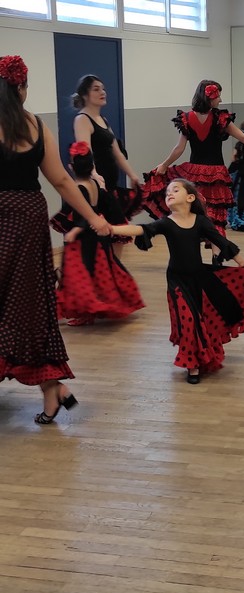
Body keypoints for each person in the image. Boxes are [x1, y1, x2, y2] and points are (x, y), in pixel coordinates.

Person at [0, 55, 111, 424]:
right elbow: (61, 181)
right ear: (21, 88)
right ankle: (53, 389)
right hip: (29, 220)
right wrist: (94, 217)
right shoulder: (34, 125)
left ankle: (53, 388)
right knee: (31, 306)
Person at [110, 179, 244, 384]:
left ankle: (201, 356)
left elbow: (220, 241)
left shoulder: (200, 221)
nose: (169, 193)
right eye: (167, 192)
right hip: (176, 280)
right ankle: (192, 365)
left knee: (200, 320)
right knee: (188, 321)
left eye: (175, 190)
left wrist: (243, 265)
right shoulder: (166, 222)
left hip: (199, 278)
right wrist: (112, 228)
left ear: (190, 198)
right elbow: (141, 230)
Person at [143, 80, 244, 243]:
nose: (220, 100)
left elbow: (179, 148)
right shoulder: (219, 118)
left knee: (193, 214)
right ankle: (216, 258)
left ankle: (192, 254)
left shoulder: (187, 118)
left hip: (194, 173)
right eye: (219, 96)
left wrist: (165, 165)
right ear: (210, 97)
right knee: (215, 220)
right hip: (215, 174)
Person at [55, 142, 144, 326]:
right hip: (98, 237)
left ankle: (87, 312)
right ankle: (91, 311)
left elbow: (83, 216)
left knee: (82, 275)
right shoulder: (94, 183)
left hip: (84, 239)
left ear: (71, 167)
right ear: (91, 166)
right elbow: (101, 207)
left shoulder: (78, 188)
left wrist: (74, 231)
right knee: (100, 272)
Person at [71, 74, 143, 242]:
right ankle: (107, 266)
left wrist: (132, 175)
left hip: (110, 184)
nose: (102, 92)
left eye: (103, 89)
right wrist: (95, 175)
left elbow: (116, 153)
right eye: (96, 89)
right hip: (98, 187)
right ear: (84, 95)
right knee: (112, 232)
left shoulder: (103, 119)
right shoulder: (82, 119)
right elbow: (85, 151)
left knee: (116, 232)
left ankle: (112, 266)